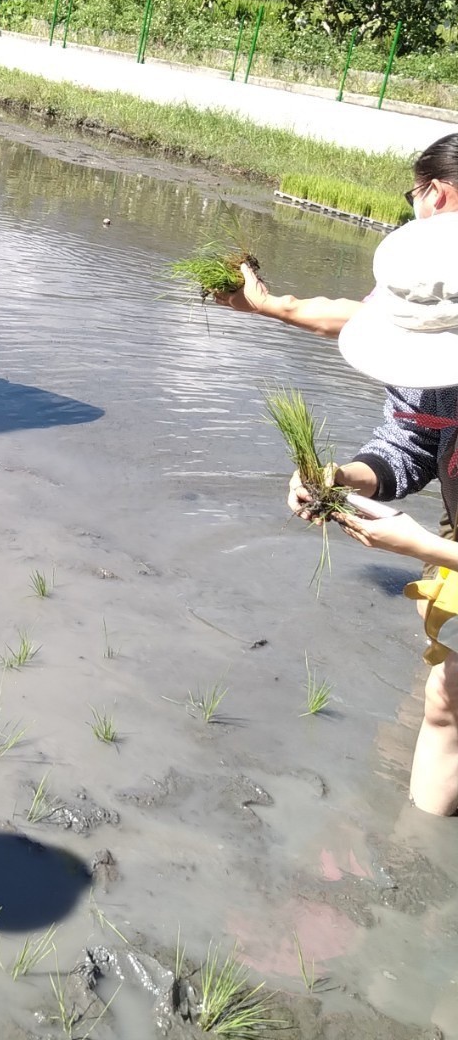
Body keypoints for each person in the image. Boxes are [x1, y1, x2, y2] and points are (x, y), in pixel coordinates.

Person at [288, 213, 458, 816]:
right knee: (445, 699)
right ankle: (414, 854)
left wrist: (428, 549)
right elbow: (410, 445)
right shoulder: (436, 368)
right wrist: (343, 477)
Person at [216, 135, 458, 337]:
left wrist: (268, 305)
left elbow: (370, 319)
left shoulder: (420, 259)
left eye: (413, 195)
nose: (412, 205)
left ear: (437, 193)